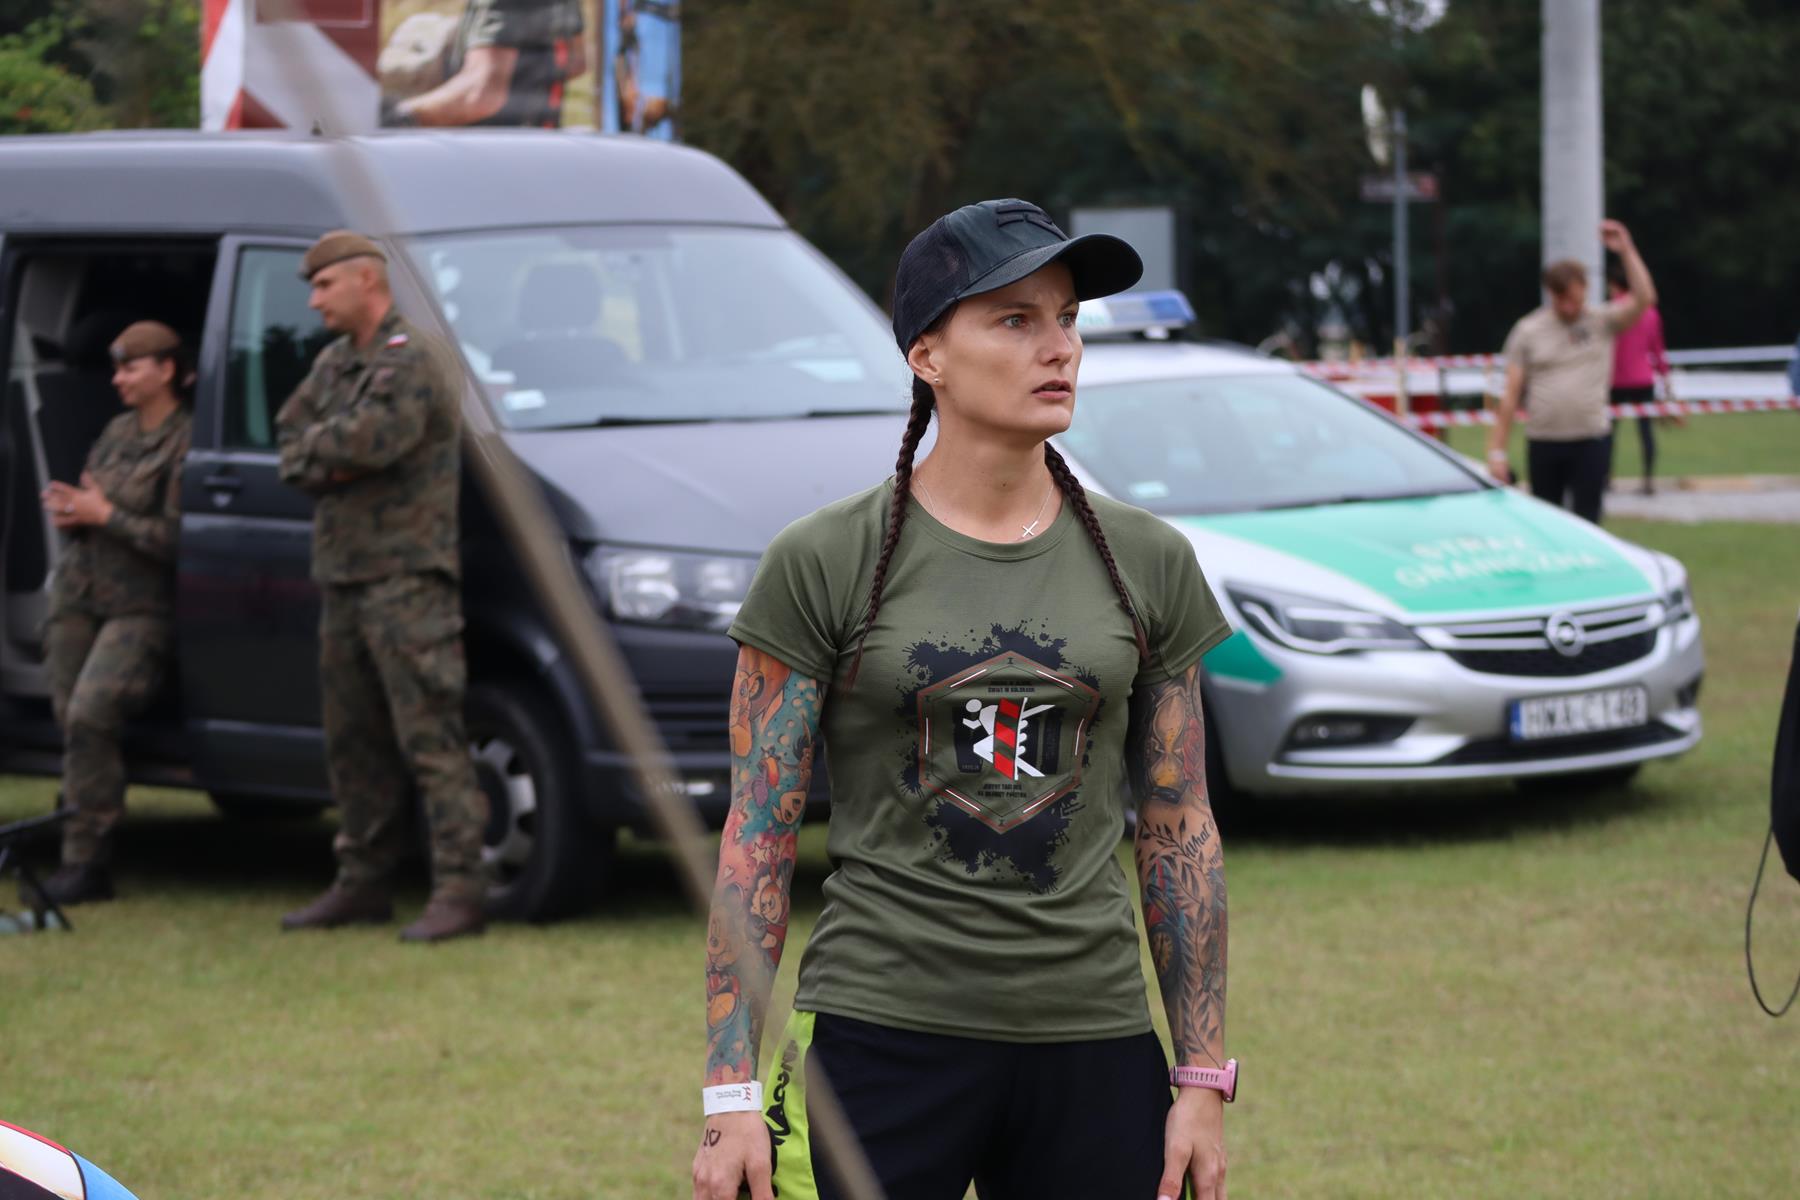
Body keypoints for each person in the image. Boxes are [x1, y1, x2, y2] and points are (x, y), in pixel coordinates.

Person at [691, 200, 1236, 1200]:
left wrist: (1202, 1078)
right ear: (927, 355)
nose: (1058, 347)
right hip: (879, 1033)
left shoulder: (1149, 560)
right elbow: (758, 831)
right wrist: (730, 1092)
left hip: (1094, 1036)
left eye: (1066, 319)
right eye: (1015, 319)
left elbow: (1177, 825)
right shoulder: (824, 560)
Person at [275, 231, 488, 944]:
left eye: (323, 286)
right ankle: (362, 882)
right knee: (353, 740)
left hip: (408, 578)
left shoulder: (417, 356)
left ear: (366, 280)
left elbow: (377, 439)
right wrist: (327, 455)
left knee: (431, 737)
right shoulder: (334, 362)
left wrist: (330, 453)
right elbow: (289, 443)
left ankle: (460, 890)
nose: (313, 302)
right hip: (344, 575)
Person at [31, 322, 193, 905]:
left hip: (140, 608)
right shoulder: (117, 431)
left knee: (91, 713)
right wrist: (75, 511)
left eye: (130, 367)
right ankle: (80, 818)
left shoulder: (186, 443)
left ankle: (86, 861)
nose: (118, 379)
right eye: (117, 367)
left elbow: (180, 539)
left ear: (166, 370)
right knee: (70, 718)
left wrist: (105, 516)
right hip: (81, 593)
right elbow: (93, 500)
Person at [1485, 220, 1657, 524]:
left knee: (1588, 522)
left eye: (1574, 300)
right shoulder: (1528, 330)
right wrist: (1497, 452)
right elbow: (1510, 395)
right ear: (1550, 293)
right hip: (1544, 441)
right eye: (1560, 299)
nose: (1568, 307)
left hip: (1591, 439)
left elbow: (1644, 298)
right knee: (1547, 523)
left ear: (1585, 290)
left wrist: (1626, 250)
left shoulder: (1602, 321)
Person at [385, 0, 585, 129]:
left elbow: (479, 95)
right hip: (537, 152)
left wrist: (398, 116)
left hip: (491, 159)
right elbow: (575, 62)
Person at [1606, 261, 1677, 496]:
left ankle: (1606, 478)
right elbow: (1658, 349)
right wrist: (1665, 378)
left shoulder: (1611, 311)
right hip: (1643, 379)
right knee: (1646, 432)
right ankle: (1648, 480)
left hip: (1615, 380)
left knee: (1607, 433)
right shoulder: (1650, 312)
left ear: (1614, 284)